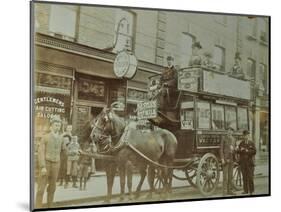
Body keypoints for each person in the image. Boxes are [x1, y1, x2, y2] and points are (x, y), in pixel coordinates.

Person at [35, 116, 63, 208]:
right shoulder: (45, 137)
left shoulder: (61, 138)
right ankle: (38, 206)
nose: (57, 127)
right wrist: (42, 166)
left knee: (52, 188)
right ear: (51, 126)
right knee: (41, 189)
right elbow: (41, 152)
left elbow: (64, 150)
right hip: (46, 165)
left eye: (59, 125)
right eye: (56, 125)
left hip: (56, 165)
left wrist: (78, 151)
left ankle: (50, 206)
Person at [237, 130, 256, 195]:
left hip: (250, 163)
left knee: (250, 177)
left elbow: (254, 151)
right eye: (245, 135)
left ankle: (251, 191)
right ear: (243, 136)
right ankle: (245, 190)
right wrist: (240, 150)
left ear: (249, 136)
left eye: (247, 135)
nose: (246, 136)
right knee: (244, 177)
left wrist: (247, 151)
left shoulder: (251, 143)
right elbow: (238, 151)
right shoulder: (241, 143)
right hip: (243, 163)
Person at [220, 127, 236, 196]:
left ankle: (230, 191)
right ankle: (224, 192)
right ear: (227, 131)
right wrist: (222, 159)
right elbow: (221, 149)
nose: (230, 132)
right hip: (225, 160)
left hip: (231, 159)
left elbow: (234, 150)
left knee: (230, 176)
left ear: (232, 132)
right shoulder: (224, 138)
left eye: (231, 131)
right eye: (229, 131)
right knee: (225, 177)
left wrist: (234, 149)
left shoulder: (234, 139)